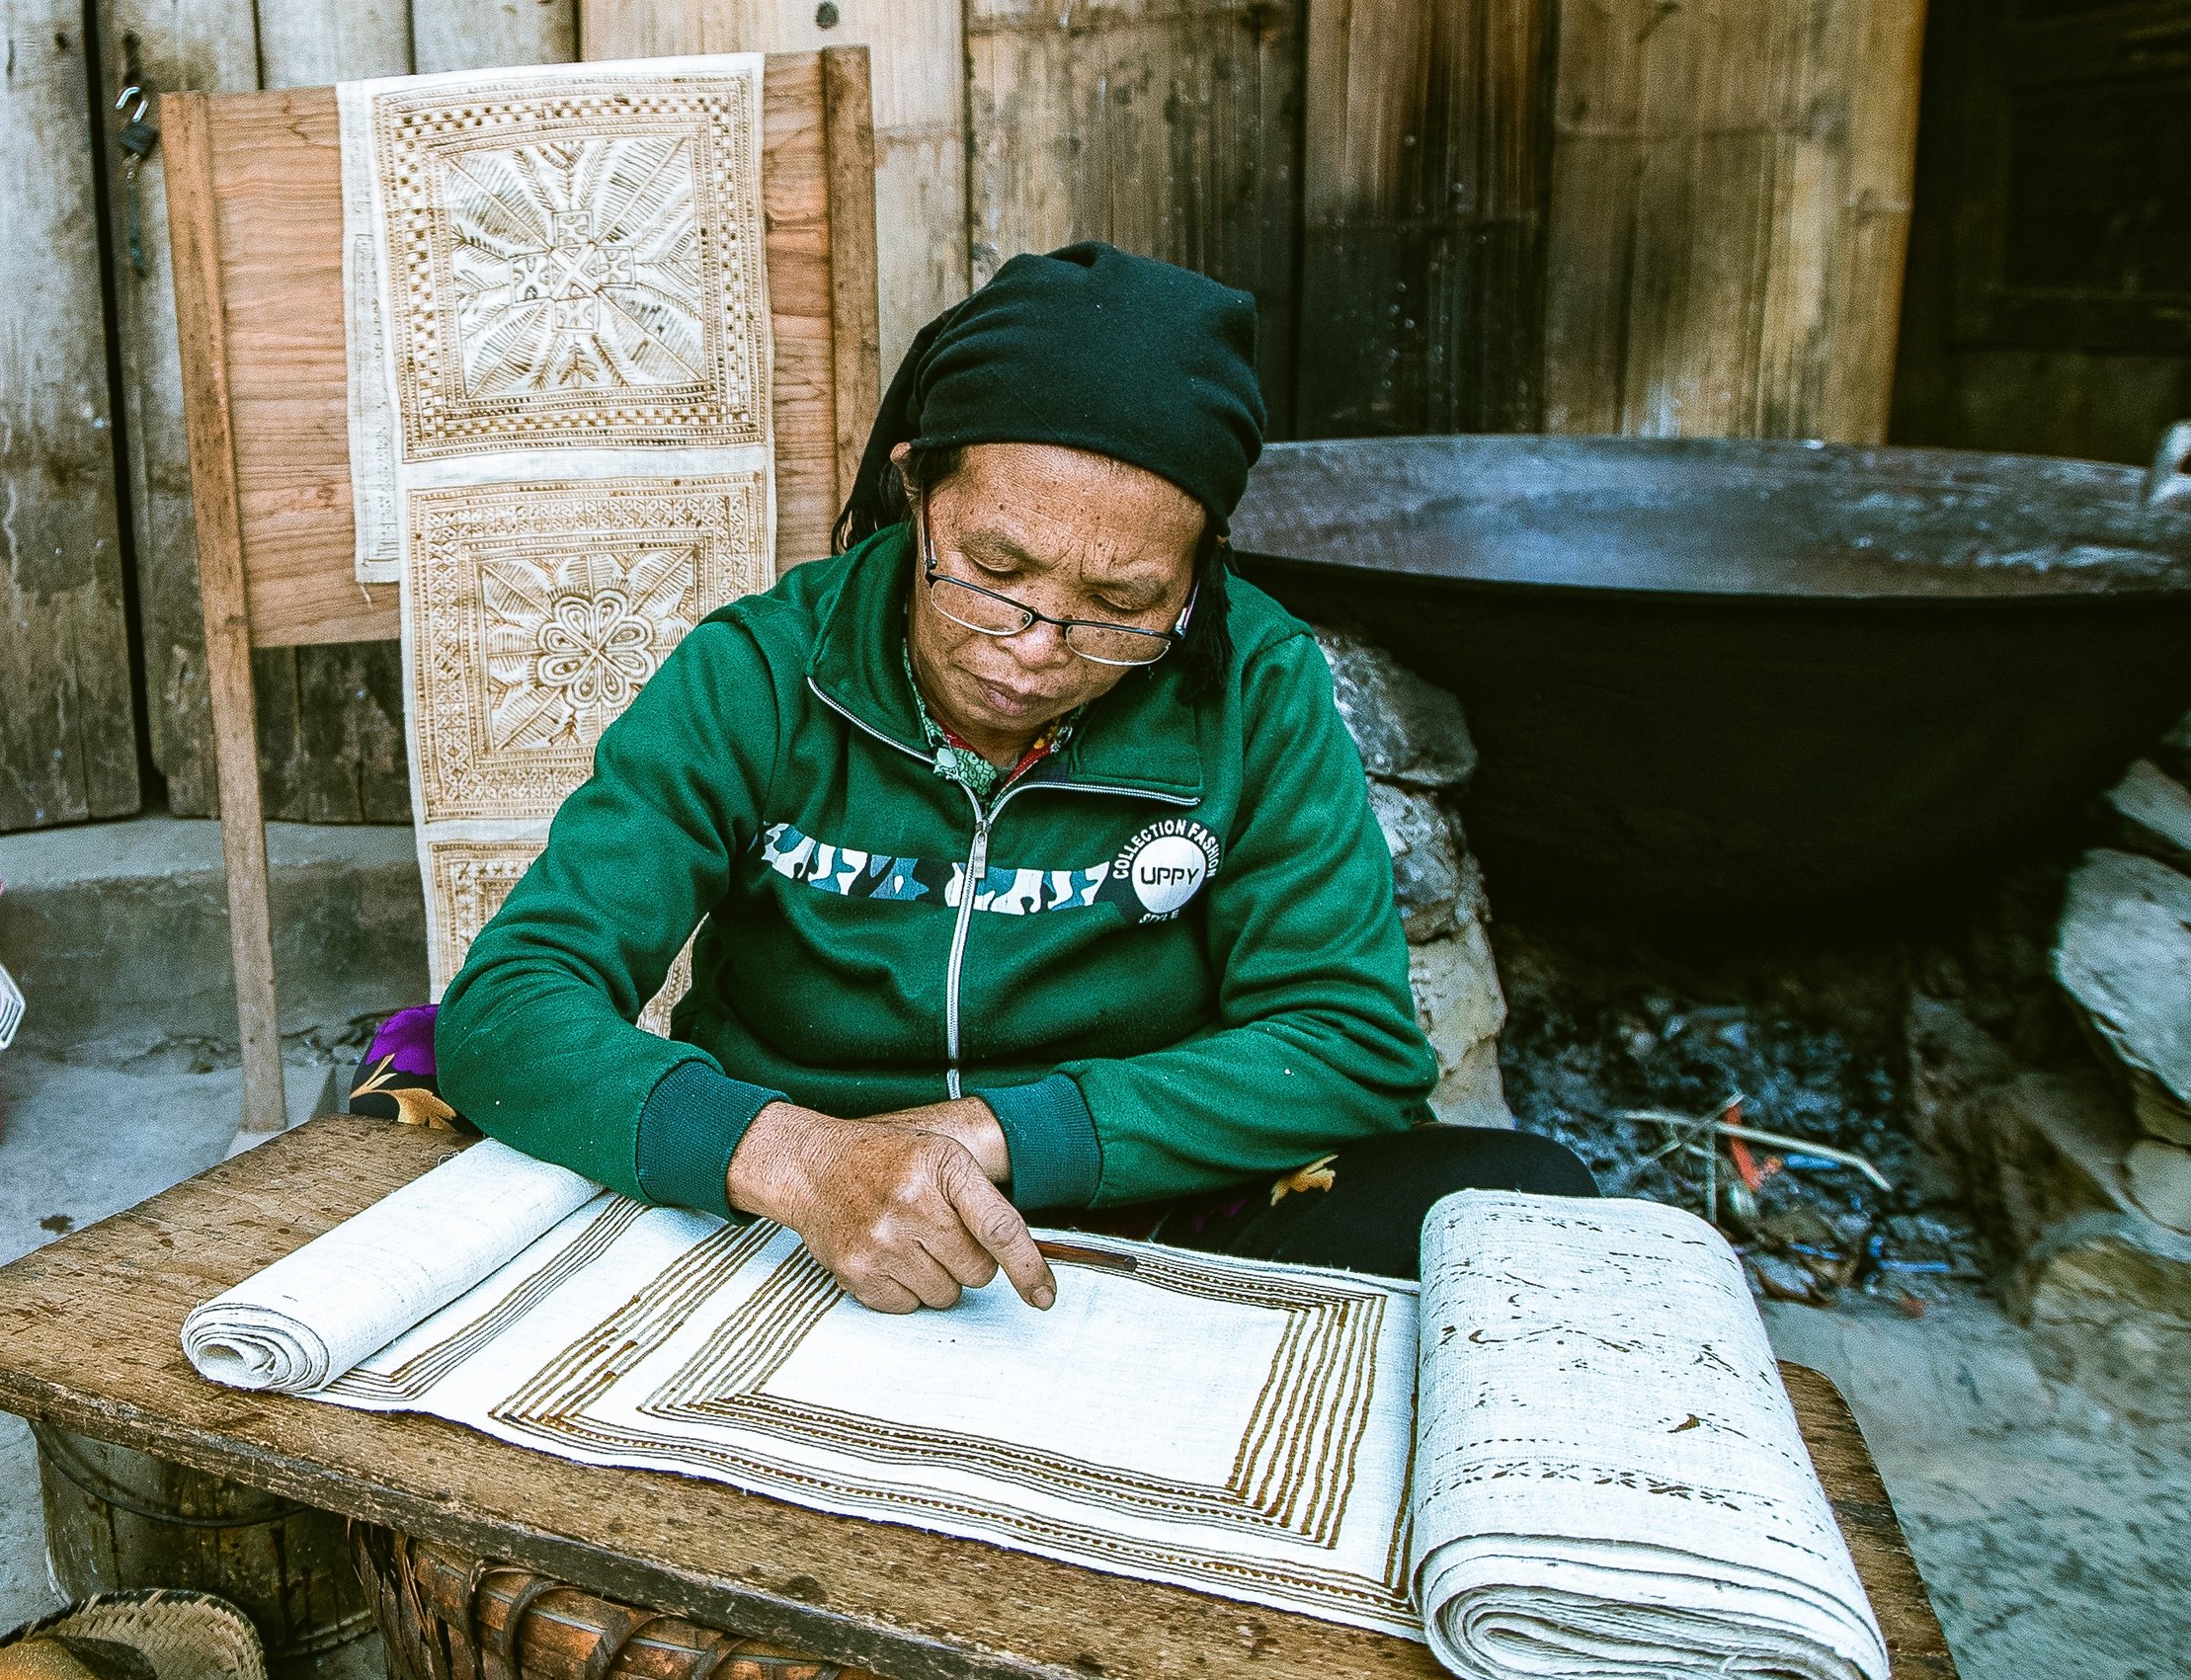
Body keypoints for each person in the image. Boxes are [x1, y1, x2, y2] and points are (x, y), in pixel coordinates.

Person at [436, 242, 1592, 1312]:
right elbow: (510, 1002)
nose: (1036, 646)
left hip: (1142, 1187)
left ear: (1199, 576)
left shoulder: (1256, 687)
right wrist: (798, 1156)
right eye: (994, 568)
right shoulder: (760, 674)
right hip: (797, 1197)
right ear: (915, 490)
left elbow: (1348, 1043)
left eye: (1124, 603)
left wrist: (989, 1136)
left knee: (1516, 1200)